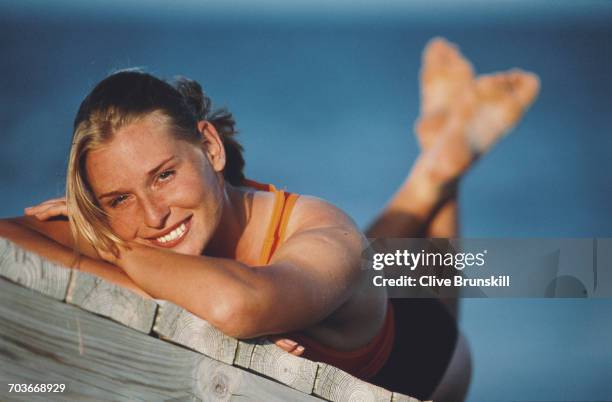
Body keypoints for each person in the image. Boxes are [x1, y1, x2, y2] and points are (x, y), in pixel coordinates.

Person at [0, 38, 539, 401]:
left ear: (208, 146)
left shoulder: (319, 226)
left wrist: (107, 243)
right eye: (116, 200)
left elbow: (238, 304)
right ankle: (443, 156)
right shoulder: (156, 223)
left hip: (424, 359)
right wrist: (132, 265)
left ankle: (445, 164)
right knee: (366, 263)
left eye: (164, 175)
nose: (151, 214)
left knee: (365, 260)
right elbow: (8, 237)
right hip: (345, 287)